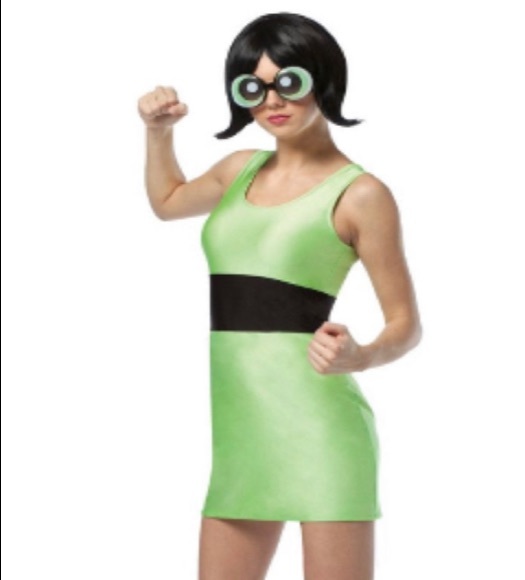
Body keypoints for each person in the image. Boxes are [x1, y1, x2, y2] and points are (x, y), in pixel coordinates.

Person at [137, 11, 422, 580]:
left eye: (289, 81)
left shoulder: (361, 194)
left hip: (321, 429)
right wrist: (158, 133)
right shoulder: (238, 170)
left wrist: (361, 355)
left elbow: (406, 325)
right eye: (253, 87)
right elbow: (167, 202)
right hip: (241, 432)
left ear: (324, 78)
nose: (272, 100)